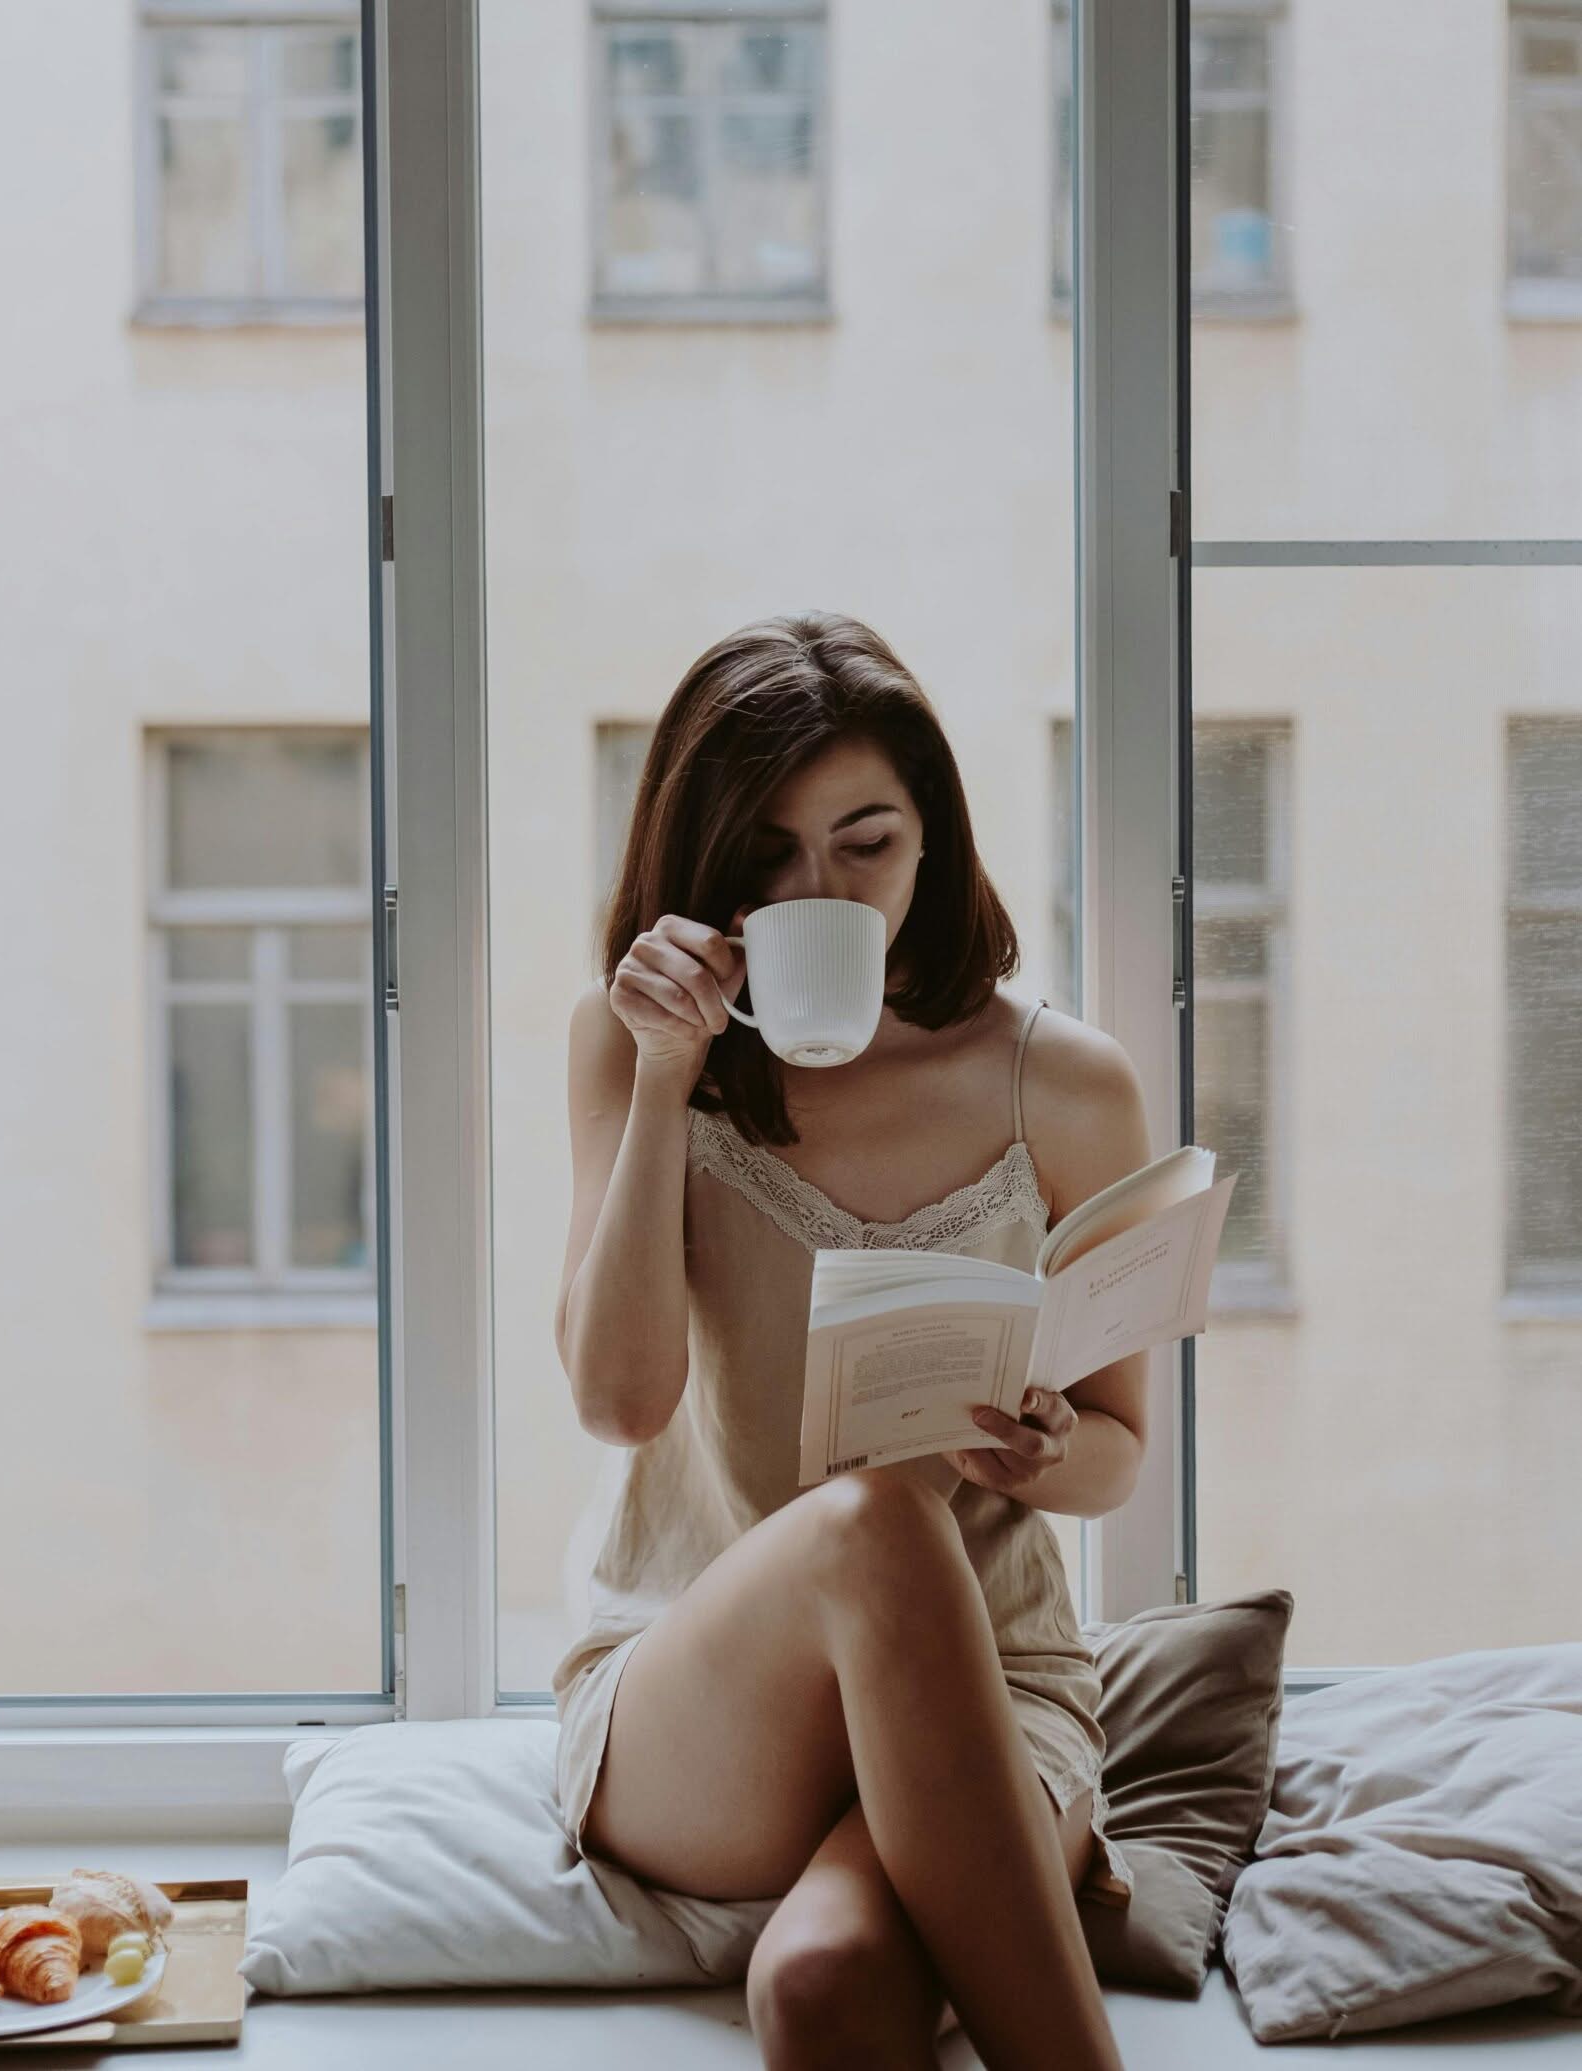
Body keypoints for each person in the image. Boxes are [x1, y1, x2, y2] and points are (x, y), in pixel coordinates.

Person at [552, 610, 1150, 2071]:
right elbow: (622, 1406)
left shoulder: (1064, 1084)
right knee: (876, 1516)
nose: (816, 889)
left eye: (863, 843)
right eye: (765, 855)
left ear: (931, 843)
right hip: (701, 1683)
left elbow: (1120, 1457)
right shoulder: (631, 1052)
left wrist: (1046, 1451)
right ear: (701, 871)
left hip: (989, 1678)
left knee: (822, 1989)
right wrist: (664, 1079)